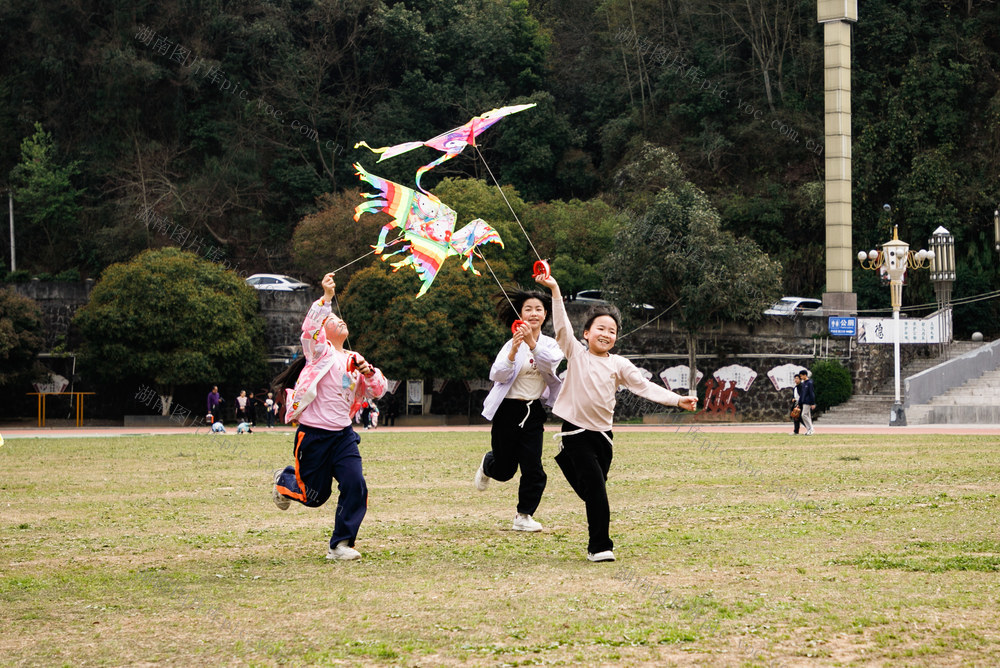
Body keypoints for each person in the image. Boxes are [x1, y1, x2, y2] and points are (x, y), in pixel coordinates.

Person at [536, 273, 697, 562]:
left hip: (604, 438)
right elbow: (561, 327)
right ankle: (600, 547)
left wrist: (677, 400)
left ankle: (565, 462)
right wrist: (555, 289)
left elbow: (644, 387)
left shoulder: (619, 364)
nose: (606, 334)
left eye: (612, 331)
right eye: (600, 328)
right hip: (576, 433)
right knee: (596, 491)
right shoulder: (576, 354)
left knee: (592, 492)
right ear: (586, 333)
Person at [271, 272, 387, 561]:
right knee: (314, 497)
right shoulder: (319, 352)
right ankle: (284, 480)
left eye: (340, 319)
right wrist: (326, 299)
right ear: (324, 332)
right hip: (313, 436)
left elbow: (378, 390)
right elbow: (309, 328)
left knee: (355, 484)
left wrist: (369, 372)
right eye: (334, 320)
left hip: (344, 436)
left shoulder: (354, 358)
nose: (340, 321)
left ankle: (340, 545)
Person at [474, 289, 563, 533]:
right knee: (505, 470)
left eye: (538, 309)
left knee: (533, 467)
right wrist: (514, 351)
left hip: (533, 410)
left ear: (545, 314)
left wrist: (531, 343)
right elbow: (498, 375)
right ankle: (488, 463)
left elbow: (548, 363)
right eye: (528, 309)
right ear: (520, 314)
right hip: (507, 411)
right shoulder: (510, 343)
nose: (533, 313)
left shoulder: (551, 344)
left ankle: (524, 515)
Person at [798, 369, 816, 435]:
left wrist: (812, 403)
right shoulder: (804, 383)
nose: (801, 378)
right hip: (804, 401)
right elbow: (802, 394)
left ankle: (811, 428)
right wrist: (799, 402)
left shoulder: (810, 383)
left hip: (808, 402)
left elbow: (811, 393)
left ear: (805, 375)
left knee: (804, 415)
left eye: (801, 376)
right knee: (808, 416)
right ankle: (809, 429)